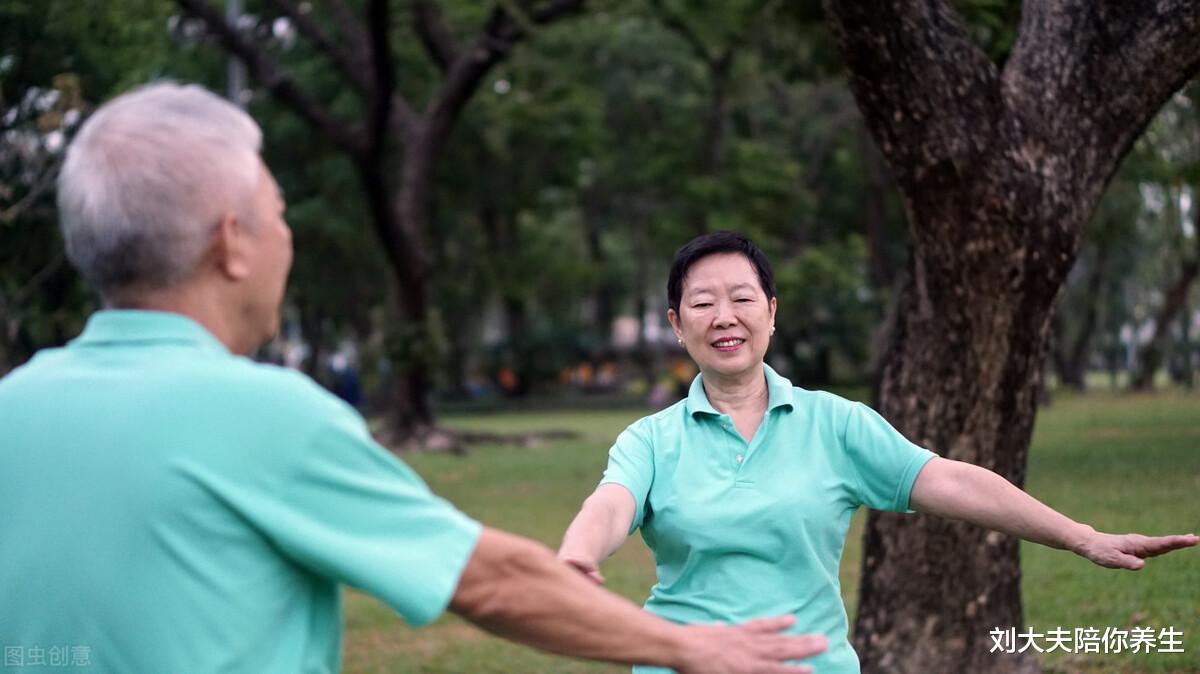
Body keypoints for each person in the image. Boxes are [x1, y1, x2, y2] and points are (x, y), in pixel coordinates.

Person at [0, 85, 828, 674]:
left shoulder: (12, 410)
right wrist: (696, 647)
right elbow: (490, 582)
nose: (287, 235)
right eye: (280, 212)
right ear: (232, 244)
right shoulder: (264, 415)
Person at [556, 231, 1199, 674]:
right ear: (677, 324)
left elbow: (950, 482)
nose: (724, 316)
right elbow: (612, 503)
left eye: (742, 298)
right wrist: (577, 555)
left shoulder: (836, 425)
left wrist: (1080, 536)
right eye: (702, 303)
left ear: (772, 313)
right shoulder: (651, 439)